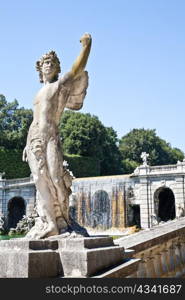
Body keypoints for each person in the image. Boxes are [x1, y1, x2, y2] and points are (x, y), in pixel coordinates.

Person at [22, 33, 92, 239]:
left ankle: (63, 220)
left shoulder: (60, 86)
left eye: (52, 62)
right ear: (40, 67)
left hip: (51, 135)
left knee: (55, 177)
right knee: (39, 179)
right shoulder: (38, 93)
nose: (48, 65)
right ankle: (50, 223)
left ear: (57, 67)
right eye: (45, 62)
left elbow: (76, 69)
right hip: (33, 137)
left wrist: (86, 47)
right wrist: (27, 145)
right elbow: (35, 119)